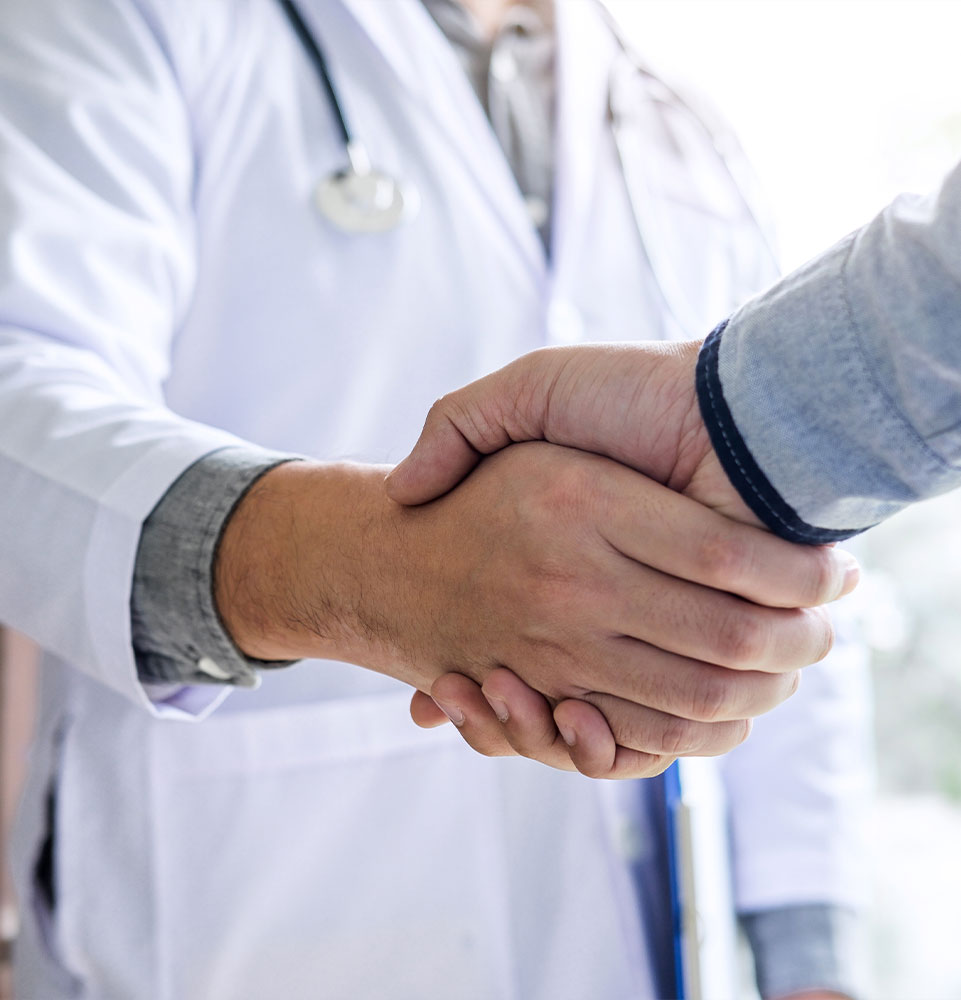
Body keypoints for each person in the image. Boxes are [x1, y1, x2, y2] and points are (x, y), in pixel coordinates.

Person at [0, 1, 869, 997]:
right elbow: (16, 401)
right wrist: (366, 572)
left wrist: (812, 955)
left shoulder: (670, 106)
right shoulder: (132, 18)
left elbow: (789, 538)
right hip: (240, 907)